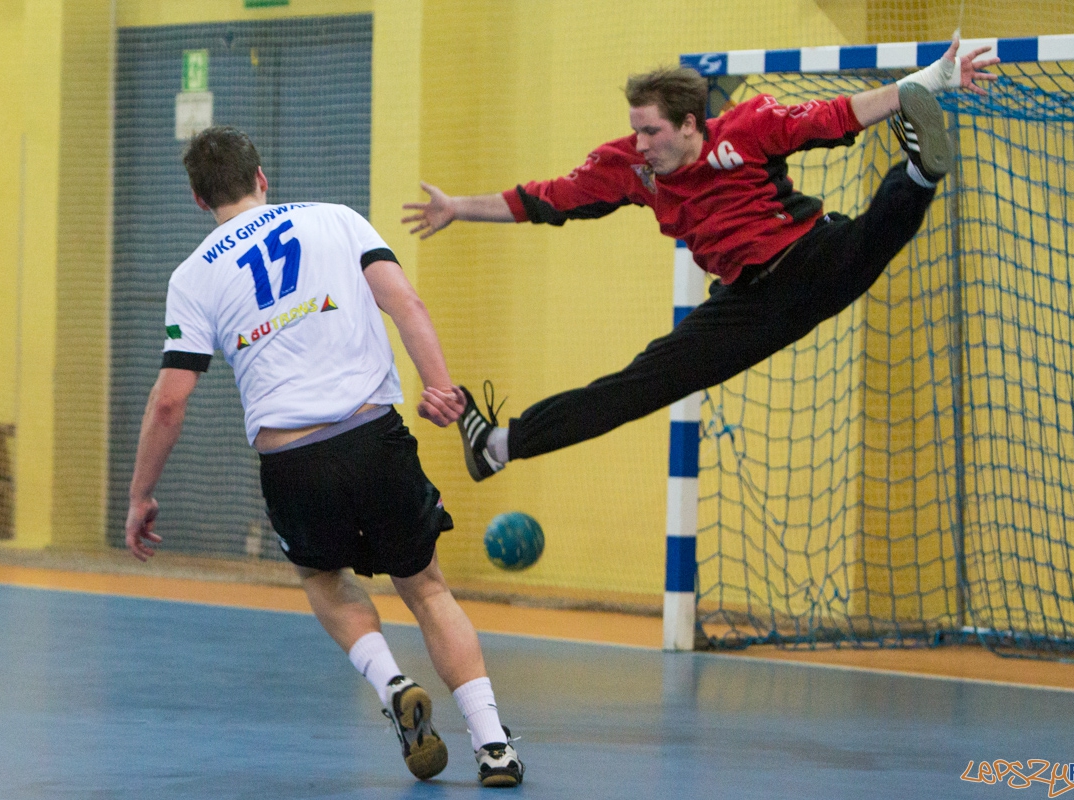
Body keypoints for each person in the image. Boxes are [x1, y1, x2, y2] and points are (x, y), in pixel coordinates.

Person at [403, 36, 998, 482]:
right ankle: (500, 446)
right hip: (746, 304)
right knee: (642, 383)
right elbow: (544, 200)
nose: (640, 144)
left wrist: (934, 78)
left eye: (651, 131)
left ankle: (920, 168)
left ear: (691, 124)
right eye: (634, 130)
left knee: (874, 237)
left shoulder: (750, 127)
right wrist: (458, 206)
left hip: (807, 255)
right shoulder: (630, 168)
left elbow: (840, 115)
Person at [124, 126, 525, 788]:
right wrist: (440, 386)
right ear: (262, 178)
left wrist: (141, 494)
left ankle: (393, 683)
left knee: (321, 578)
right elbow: (406, 303)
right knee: (424, 587)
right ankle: (493, 746)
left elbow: (170, 402)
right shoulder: (336, 219)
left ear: (199, 200)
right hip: (374, 435)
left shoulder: (193, 276)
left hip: (293, 460)